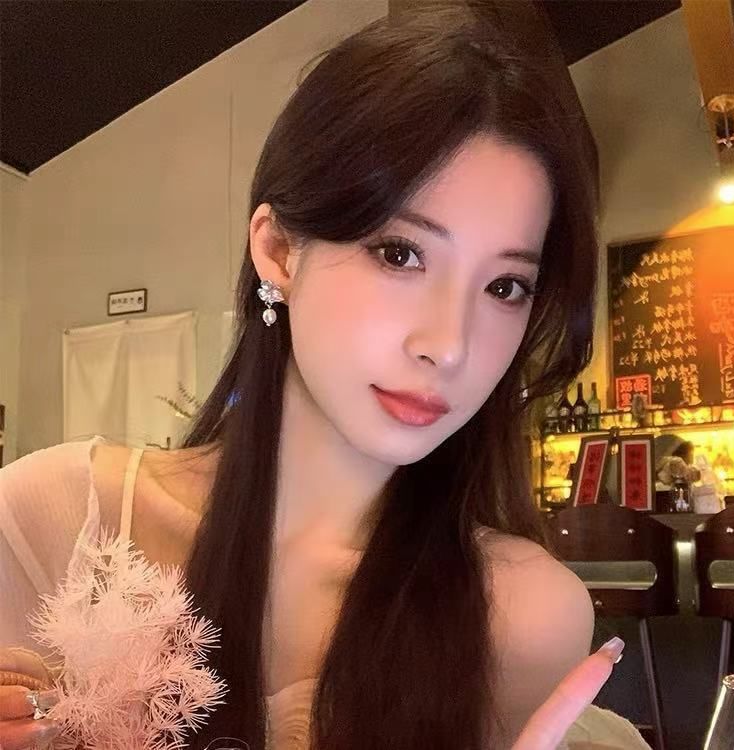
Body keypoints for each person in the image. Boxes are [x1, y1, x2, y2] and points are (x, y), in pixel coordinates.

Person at [0, 2, 649, 748]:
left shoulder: (523, 614)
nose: (450, 345)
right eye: (401, 253)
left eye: (505, 287)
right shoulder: (55, 521)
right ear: (278, 250)